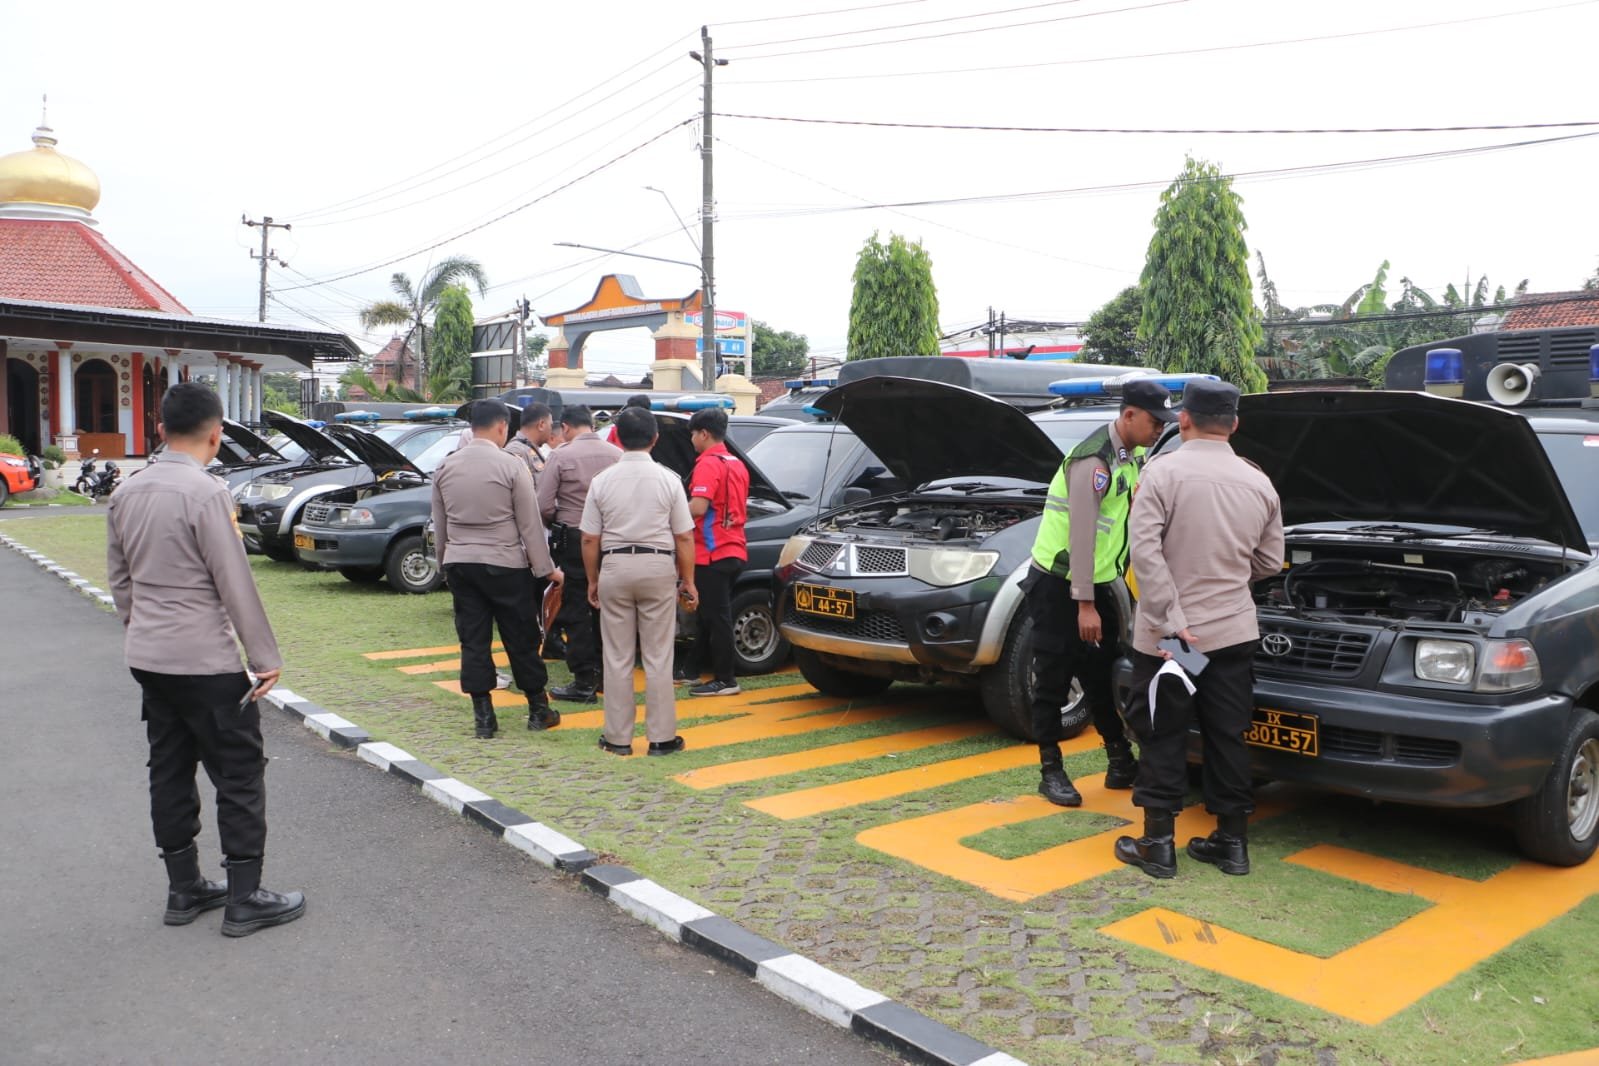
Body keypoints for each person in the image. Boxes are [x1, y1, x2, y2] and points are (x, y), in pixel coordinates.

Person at [106, 382, 305, 937]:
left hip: (149, 656)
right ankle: (245, 899)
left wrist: (141, 629)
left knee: (169, 767)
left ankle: (183, 888)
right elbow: (233, 580)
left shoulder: (128, 490)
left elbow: (121, 580)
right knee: (239, 773)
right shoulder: (206, 493)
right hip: (205, 661)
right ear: (216, 434)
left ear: (161, 429)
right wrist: (264, 656)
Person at [1113, 378, 1284, 879]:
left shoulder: (1162, 473)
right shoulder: (1259, 481)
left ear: (1183, 418)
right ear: (1234, 424)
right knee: (1227, 736)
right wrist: (1226, 581)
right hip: (1232, 631)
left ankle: (1158, 844)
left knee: (1163, 732)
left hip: (1174, 640)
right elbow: (1271, 561)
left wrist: (1172, 624)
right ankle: (1232, 845)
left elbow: (1144, 554)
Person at [1022, 379, 1176, 808]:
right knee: (1052, 675)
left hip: (1099, 580)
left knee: (1101, 668)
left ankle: (1119, 758)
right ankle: (1050, 770)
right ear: (1128, 416)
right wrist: (1085, 604)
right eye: (1153, 421)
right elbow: (1083, 537)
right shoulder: (1094, 462)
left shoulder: (1133, 455)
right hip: (1060, 583)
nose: (1158, 430)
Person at [431, 399, 564, 737]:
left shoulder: (446, 467)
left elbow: (440, 525)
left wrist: (446, 562)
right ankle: (538, 708)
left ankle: (484, 718)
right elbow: (530, 525)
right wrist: (546, 569)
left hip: (461, 562)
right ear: (502, 427)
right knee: (520, 637)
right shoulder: (511, 465)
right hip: (505, 563)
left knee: (473, 640)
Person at [580, 406, 698, 756]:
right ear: (655, 438)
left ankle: (618, 739)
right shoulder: (669, 479)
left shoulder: (602, 481)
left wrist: (593, 580)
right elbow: (684, 537)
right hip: (658, 566)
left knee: (617, 656)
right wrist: (688, 580)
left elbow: (589, 538)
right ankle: (661, 739)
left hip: (614, 565)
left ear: (616, 437)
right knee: (659, 655)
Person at [538, 404, 621, 701]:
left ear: (567, 428)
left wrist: (560, 519)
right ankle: (605, 677)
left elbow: (544, 505)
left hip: (574, 540)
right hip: (612, 540)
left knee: (576, 609)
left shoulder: (560, 455)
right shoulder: (616, 455)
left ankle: (584, 680)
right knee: (608, 609)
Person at [681, 406, 750, 696]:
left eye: (694, 434)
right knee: (710, 614)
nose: (692, 440)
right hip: (734, 548)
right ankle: (692, 669)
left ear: (704, 434)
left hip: (712, 552)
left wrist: (668, 515)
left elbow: (698, 507)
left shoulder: (708, 464)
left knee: (716, 616)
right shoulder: (736, 462)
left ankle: (726, 679)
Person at [503, 401, 555, 491]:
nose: (551, 430)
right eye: (551, 425)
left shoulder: (530, 449)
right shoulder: (516, 450)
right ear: (541, 425)